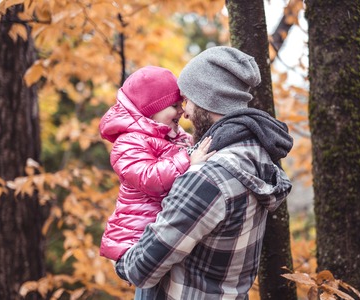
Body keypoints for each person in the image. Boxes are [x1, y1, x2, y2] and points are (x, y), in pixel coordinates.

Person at [115, 46, 294, 299]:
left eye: (187, 101)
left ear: (209, 99)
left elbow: (139, 270)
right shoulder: (258, 155)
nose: (184, 113)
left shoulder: (207, 178)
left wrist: (120, 257)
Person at [99, 66, 215, 262]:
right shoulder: (129, 142)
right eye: (175, 106)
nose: (182, 111)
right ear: (151, 111)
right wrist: (187, 158)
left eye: (182, 103)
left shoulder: (177, 137)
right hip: (135, 240)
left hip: (161, 235)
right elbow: (148, 177)